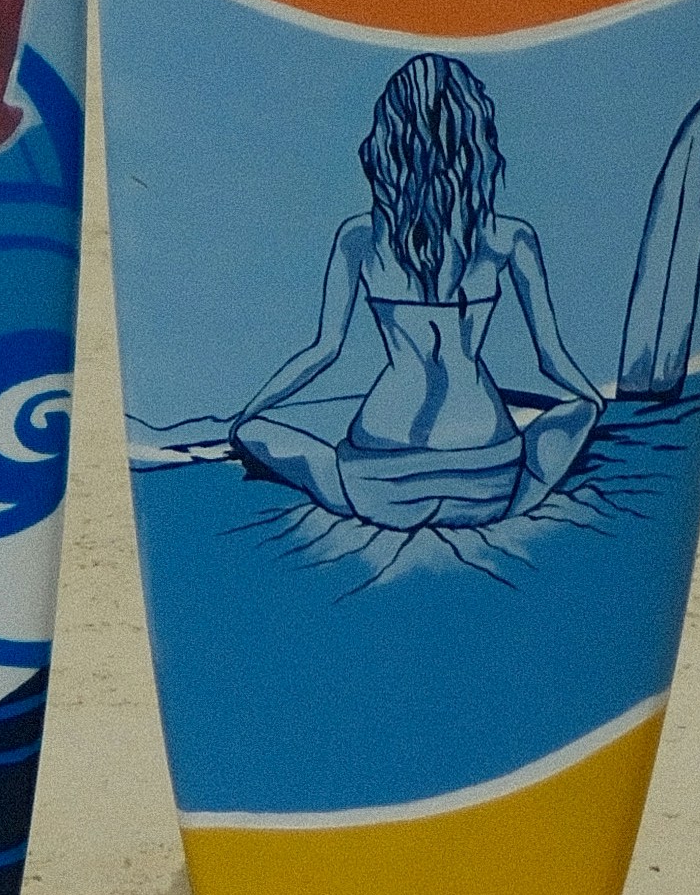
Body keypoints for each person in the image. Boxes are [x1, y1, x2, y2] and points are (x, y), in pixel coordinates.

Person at [221, 53, 610, 543]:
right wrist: (593, 404)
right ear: (477, 139)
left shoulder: (360, 237)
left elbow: (324, 350)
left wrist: (246, 417)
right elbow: (552, 362)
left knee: (264, 436)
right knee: (574, 414)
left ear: (387, 141)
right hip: (487, 476)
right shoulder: (508, 238)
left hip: (378, 481)